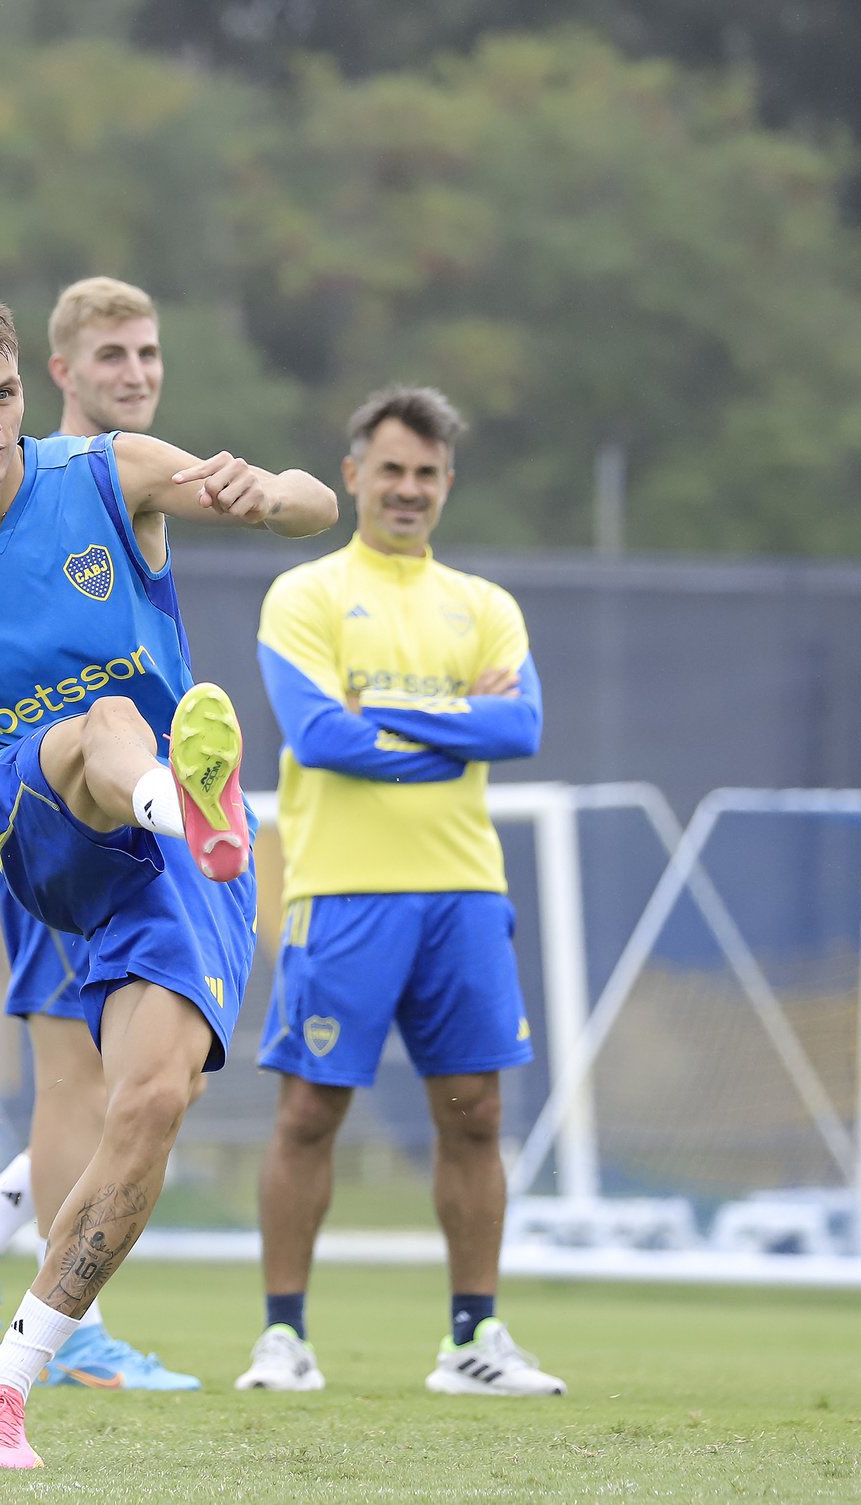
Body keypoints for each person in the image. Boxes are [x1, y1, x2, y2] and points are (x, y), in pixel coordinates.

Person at [0, 293, 335, 1468]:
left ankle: (4, 1387)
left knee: (151, 1103)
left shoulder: (107, 473)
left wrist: (268, 490)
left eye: (1, 394)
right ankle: (188, 803)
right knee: (103, 721)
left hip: (174, 860)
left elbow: (317, 505)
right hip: (37, 820)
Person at [234, 385, 566, 1397]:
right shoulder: (305, 595)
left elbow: (520, 729)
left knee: (474, 1113)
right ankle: (283, 1338)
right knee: (308, 1112)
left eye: (427, 472)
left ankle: (473, 1338)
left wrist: (376, 705)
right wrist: (454, 724)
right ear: (353, 475)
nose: (408, 488)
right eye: (391, 469)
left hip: (463, 891)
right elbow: (318, 737)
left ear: (447, 483)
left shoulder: (485, 605)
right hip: (343, 892)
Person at [0, 277, 196, 1391]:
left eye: (149, 354)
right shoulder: (48, 482)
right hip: (58, 827)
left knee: (161, 1080)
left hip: (146, 812)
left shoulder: (128, 478)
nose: (137, 374)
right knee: (77, 1073)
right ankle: (79, 1328)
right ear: (63, 374)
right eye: (113, 356)